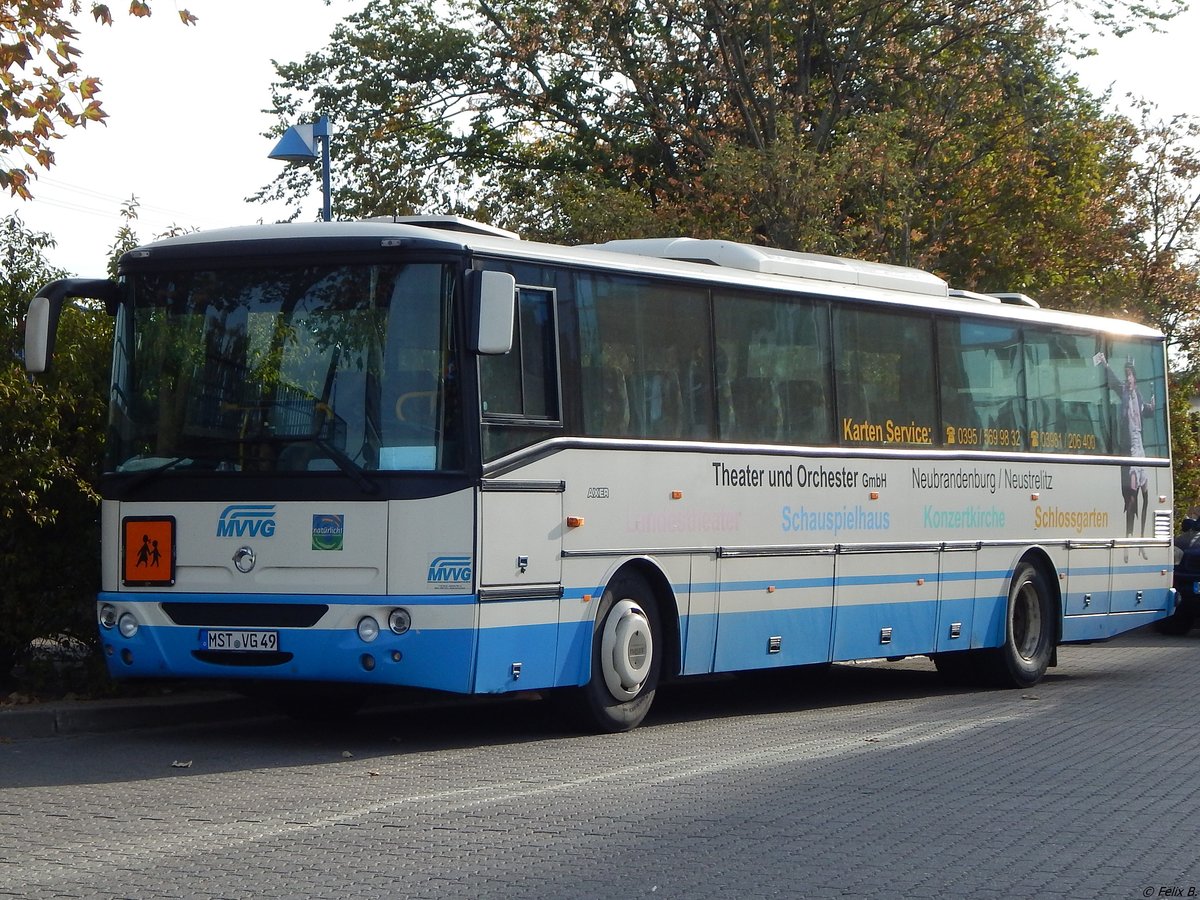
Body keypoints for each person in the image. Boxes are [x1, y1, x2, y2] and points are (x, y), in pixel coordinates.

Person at [1100, 354, 1155, 556]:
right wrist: (1105, 364)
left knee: (1146, 496)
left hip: (1140, 449)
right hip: (1130, 450)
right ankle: (1128, 539)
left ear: (1135, 378)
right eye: (1126, 375)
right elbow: (1113, 381)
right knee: (1131, 498)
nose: (1128, 378)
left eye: (1130, 375)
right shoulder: (1123, 392)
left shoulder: (1138, 395)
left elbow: (1146, 412)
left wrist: (1152, 405)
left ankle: (1141, 541)